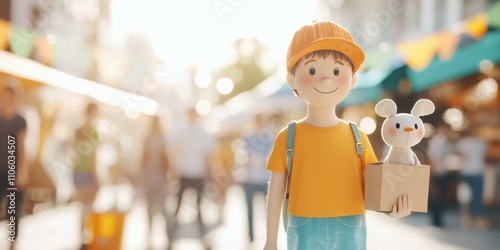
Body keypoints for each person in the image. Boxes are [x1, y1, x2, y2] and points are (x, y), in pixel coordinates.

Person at [264, 21, 411, 250]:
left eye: (337, 70)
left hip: (350, 227)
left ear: (352, 79)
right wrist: (270, 242)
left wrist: (392, 208)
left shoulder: (357, 136)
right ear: (292, 79)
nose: (326, 79)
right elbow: (275, 193)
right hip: (304, 226)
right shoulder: (288, 137)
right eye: (312, 70)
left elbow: (374, 188)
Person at [169, 108, 218, 249]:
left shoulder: (203, 132)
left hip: (198, 175)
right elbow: (174, 152)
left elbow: (208, 156)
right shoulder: (180, 131)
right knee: (177, 208)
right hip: (183, 174)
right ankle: (170, 239)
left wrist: (211, 175)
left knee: (201, 209)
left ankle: (204, 239)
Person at [0, 85, 28, 250]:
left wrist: (21, 172)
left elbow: (22, 148)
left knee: (13, 209)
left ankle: (12, 241)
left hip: (12, 169)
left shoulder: (20, 121)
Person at [241, 114, 274, 243]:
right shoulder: (248, 136)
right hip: (249, 178)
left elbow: (270, 157)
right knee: (249, 209)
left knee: (268, 210)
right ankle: (251, 236)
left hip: (265, 178)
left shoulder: (269, 137)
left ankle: (269, 236)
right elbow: (243, 154)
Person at [72, 103, 100, 248]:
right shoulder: (94, 132)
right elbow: (92, 156)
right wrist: (96, 177)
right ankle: (86, 237)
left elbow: (73, 151)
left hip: (78, 171)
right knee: (88, 207)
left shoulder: (77, 130)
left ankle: (83, 236)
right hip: (88, 172)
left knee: (83, 207)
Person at [140, 115, 170, 242]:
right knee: (150, 205)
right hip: (151, 174)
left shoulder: (162, 138)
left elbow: (166, 158)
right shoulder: (149, 138)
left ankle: (166, 234)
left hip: (158, 174)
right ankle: (151, 231)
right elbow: (143, 156)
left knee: (162, 205)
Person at [456, 127, 489, 230]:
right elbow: (484, 157)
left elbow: (461, 157)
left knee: (464, 196)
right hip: (478, 171)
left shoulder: (462, 142)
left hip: (465, 171)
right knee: (477, 196)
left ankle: (465, 217)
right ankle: (478, 219)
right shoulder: (481, 142)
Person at [427, 123, 454, 227]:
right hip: (438, 173)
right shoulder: (437, 141)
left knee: (441, 197)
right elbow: (433, 159)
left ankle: (438, 218)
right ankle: (436, 219)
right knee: (437, 197)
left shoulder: (446, 142)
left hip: (444, 172)